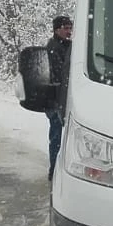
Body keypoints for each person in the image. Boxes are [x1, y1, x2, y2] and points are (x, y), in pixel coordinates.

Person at [45, 15, 73, 179]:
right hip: (55, 99)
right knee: (56, 136)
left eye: (70, 27)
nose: (69, 31)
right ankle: (54, 170)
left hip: (62, 98)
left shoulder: (66, 46)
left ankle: (59, 170)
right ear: (57, 29)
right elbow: (61, 74)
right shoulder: (54, 48)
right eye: (66, 28)